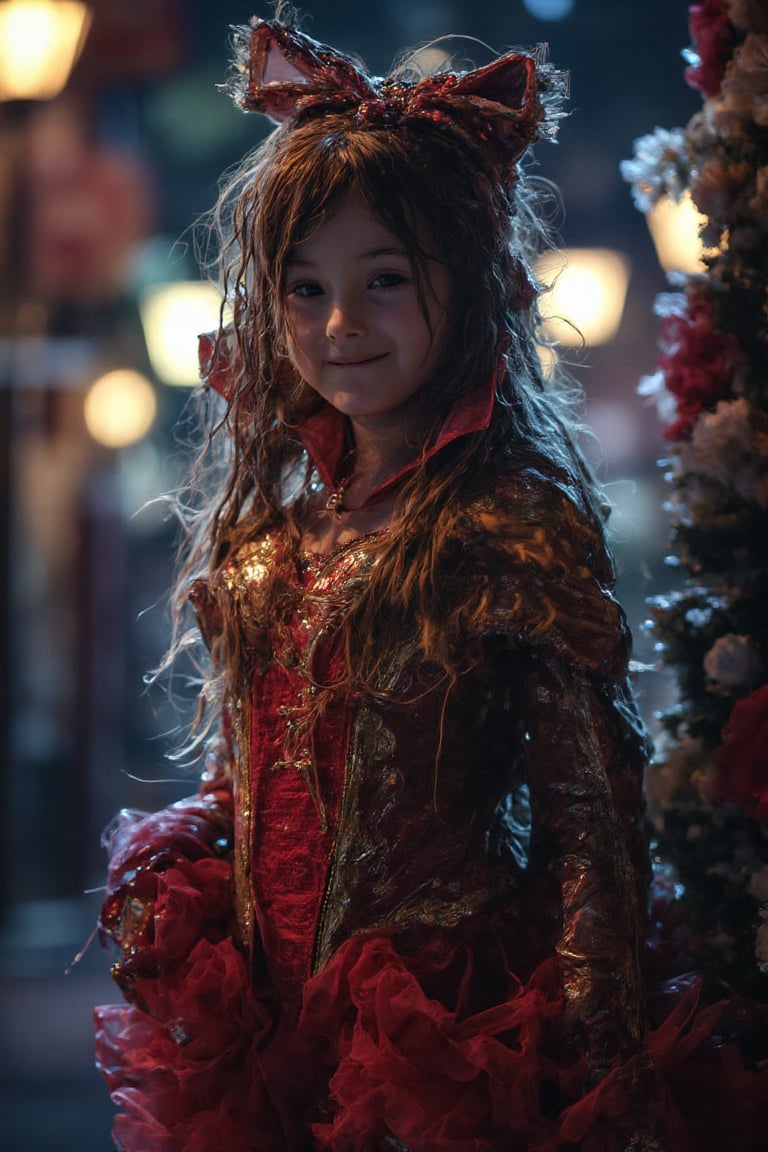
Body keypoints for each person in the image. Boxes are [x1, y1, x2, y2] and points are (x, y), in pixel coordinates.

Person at [93, 13, 768, 1152]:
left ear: (466, 288)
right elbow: (255, 775)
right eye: (304, 289)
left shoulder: (510, 526)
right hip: (271, 1033)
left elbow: (591, 826)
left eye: (384, 280)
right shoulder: (271, 533)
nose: (339, 326)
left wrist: (603, 1074)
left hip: (453, 1039)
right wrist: (189, 860)